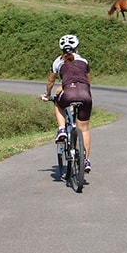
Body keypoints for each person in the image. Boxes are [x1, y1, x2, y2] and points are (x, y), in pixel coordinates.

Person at [41, 34, 93, 173]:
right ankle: (86, 161)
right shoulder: (84, 61)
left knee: (58, 103)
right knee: (84, 129)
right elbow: (88, 81)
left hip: (68, 92)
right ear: (77, 47)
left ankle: (62, 129)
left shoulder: (57, 62)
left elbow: (50, 82)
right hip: (85, 94)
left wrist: (47, 95)